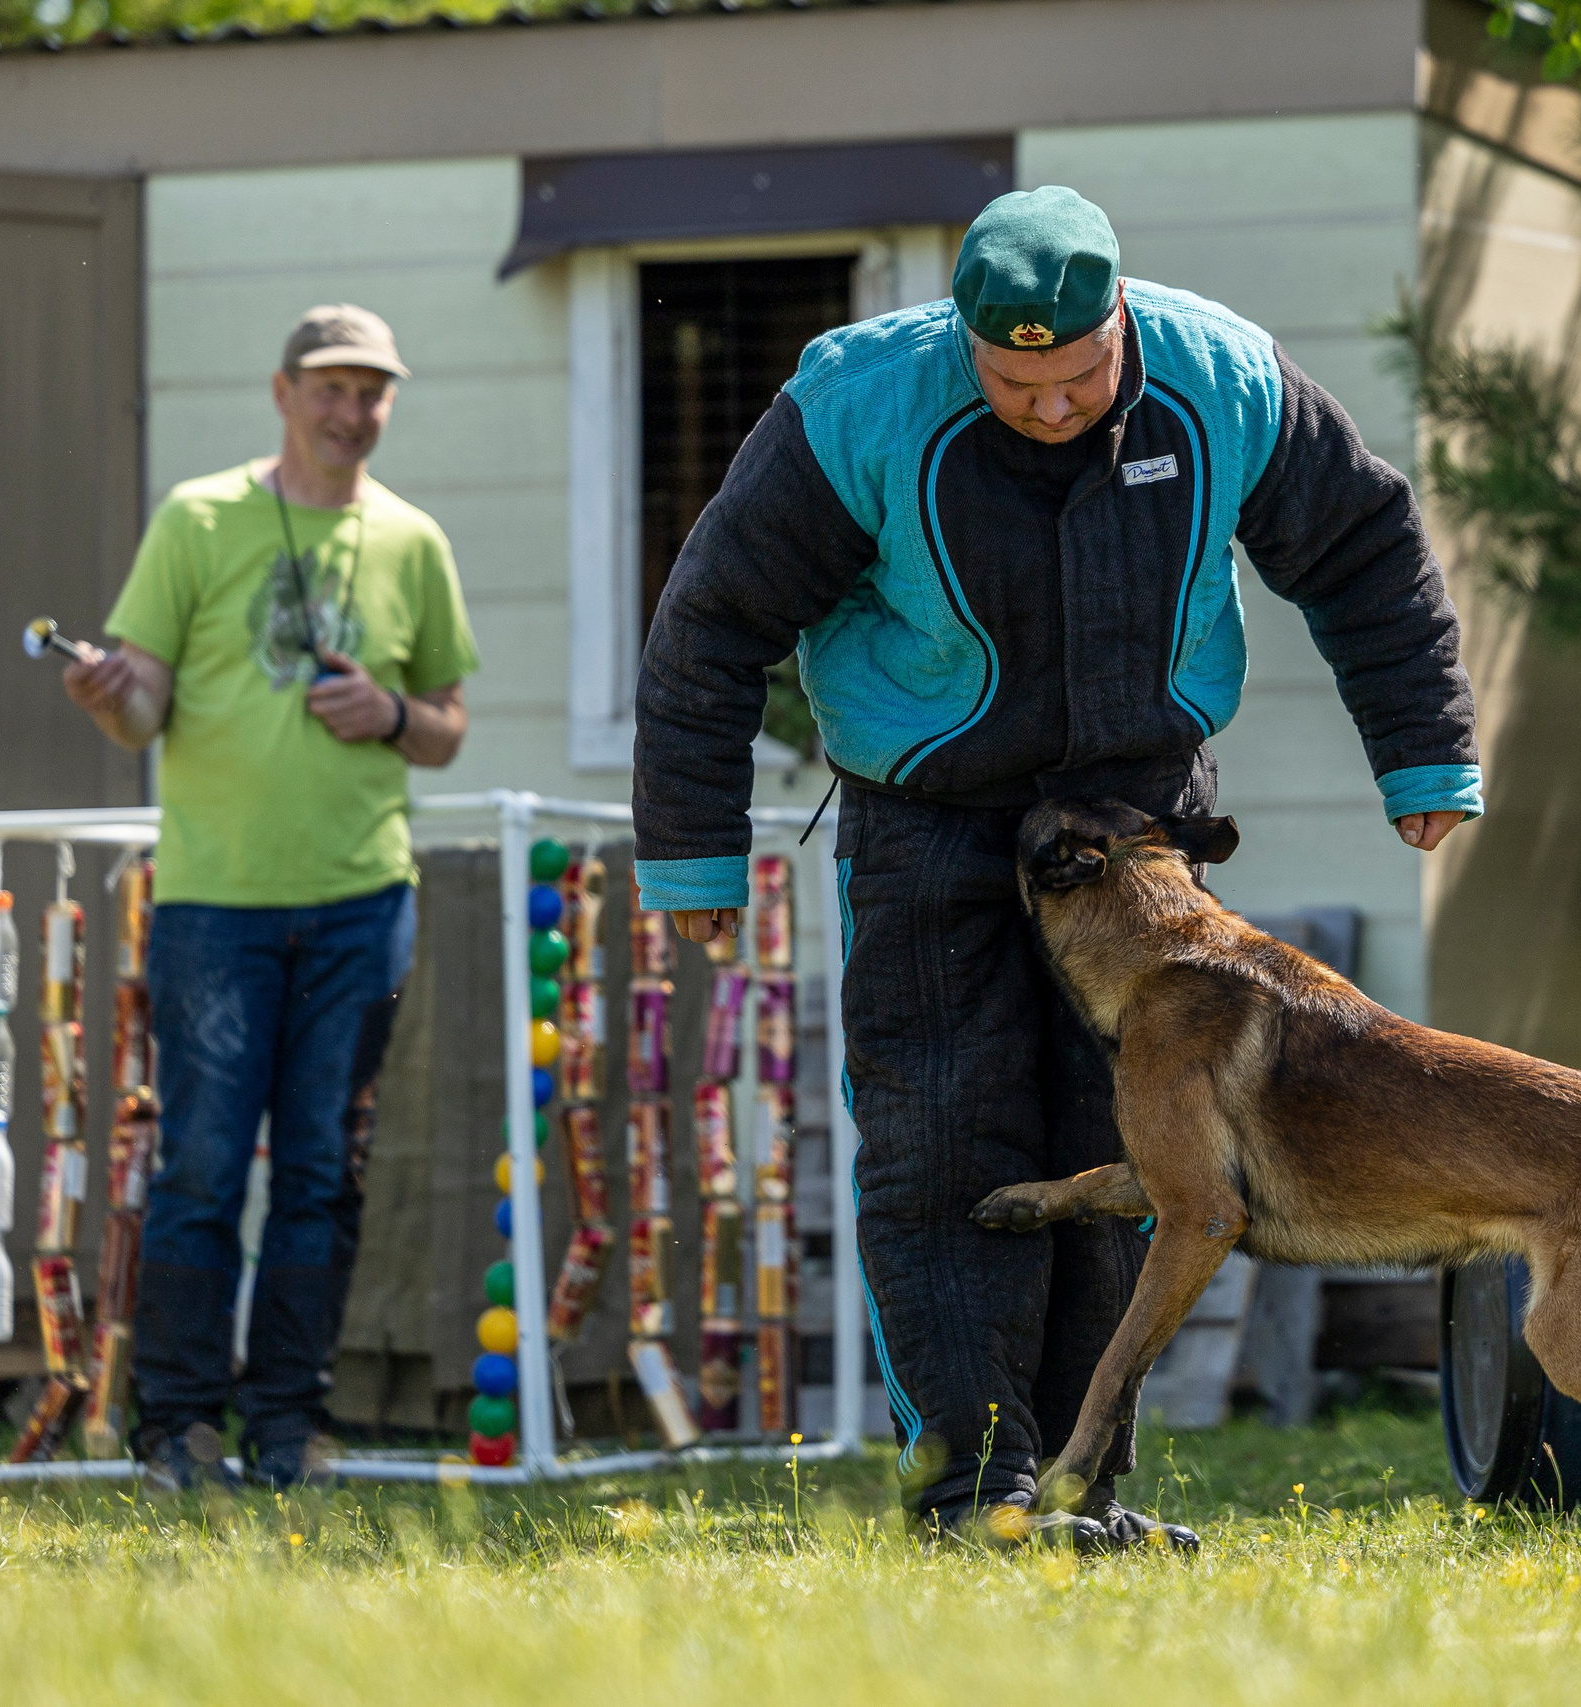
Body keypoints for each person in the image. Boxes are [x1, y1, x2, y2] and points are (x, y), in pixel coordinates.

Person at [632, 188, 1478, 1548]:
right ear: (966, 343)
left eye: (1078, 376)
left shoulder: (1225, 378)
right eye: (1013, 381)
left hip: (1143, 831)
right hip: (934, 821)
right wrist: (691, 860)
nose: (1047, 406)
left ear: (1120, 321)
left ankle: (1086, 1487)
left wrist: (1424, 751)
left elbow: (1364, 548)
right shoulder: (857, 406)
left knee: (1132, 1149)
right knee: (944, 1138)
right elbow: (710, 627)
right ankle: (974, 1495)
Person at [60, 304, 479, 1491]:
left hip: (361, 903)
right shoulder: (197, 517)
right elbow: (141, 701)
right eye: (333, 388)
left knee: (319, 1173)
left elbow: (445, 727)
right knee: (199, 1165)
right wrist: (106, 697)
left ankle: (288, 1428)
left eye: (374, 391)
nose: (354, 412)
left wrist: (391, 714)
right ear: (283, 391)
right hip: (215, 905)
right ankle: (178, 1427)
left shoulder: (414, 541)